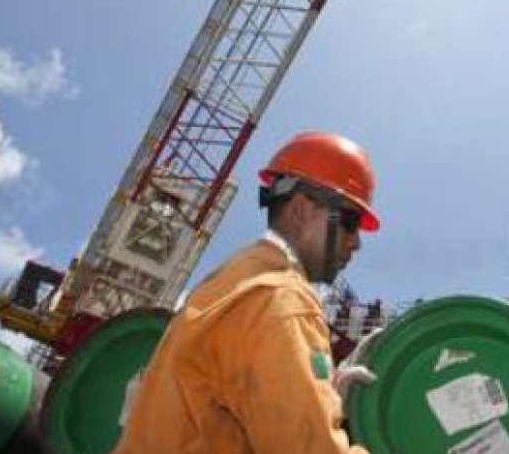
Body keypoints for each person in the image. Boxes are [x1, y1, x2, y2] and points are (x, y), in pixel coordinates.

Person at [112, 131, 379, 453]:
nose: (356, 242)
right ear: (300, 209)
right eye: (350, 221)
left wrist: (320, 393)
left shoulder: (232, 281)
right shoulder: (279, 297)